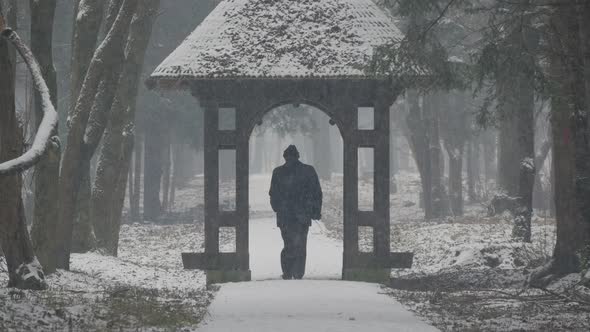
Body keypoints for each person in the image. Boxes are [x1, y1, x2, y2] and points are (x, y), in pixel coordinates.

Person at [269, 145, 322, 280]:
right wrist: (315, 211)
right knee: (300, 243)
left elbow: (273, 194)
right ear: (298, 156)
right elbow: (317, 192)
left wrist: (277, 207)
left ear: (284, 157)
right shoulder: (308, 171)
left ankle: (287, 271)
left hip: (285, 215)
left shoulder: (278, 172)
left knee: (288, 243)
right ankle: (298, 272)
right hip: (302, 214)